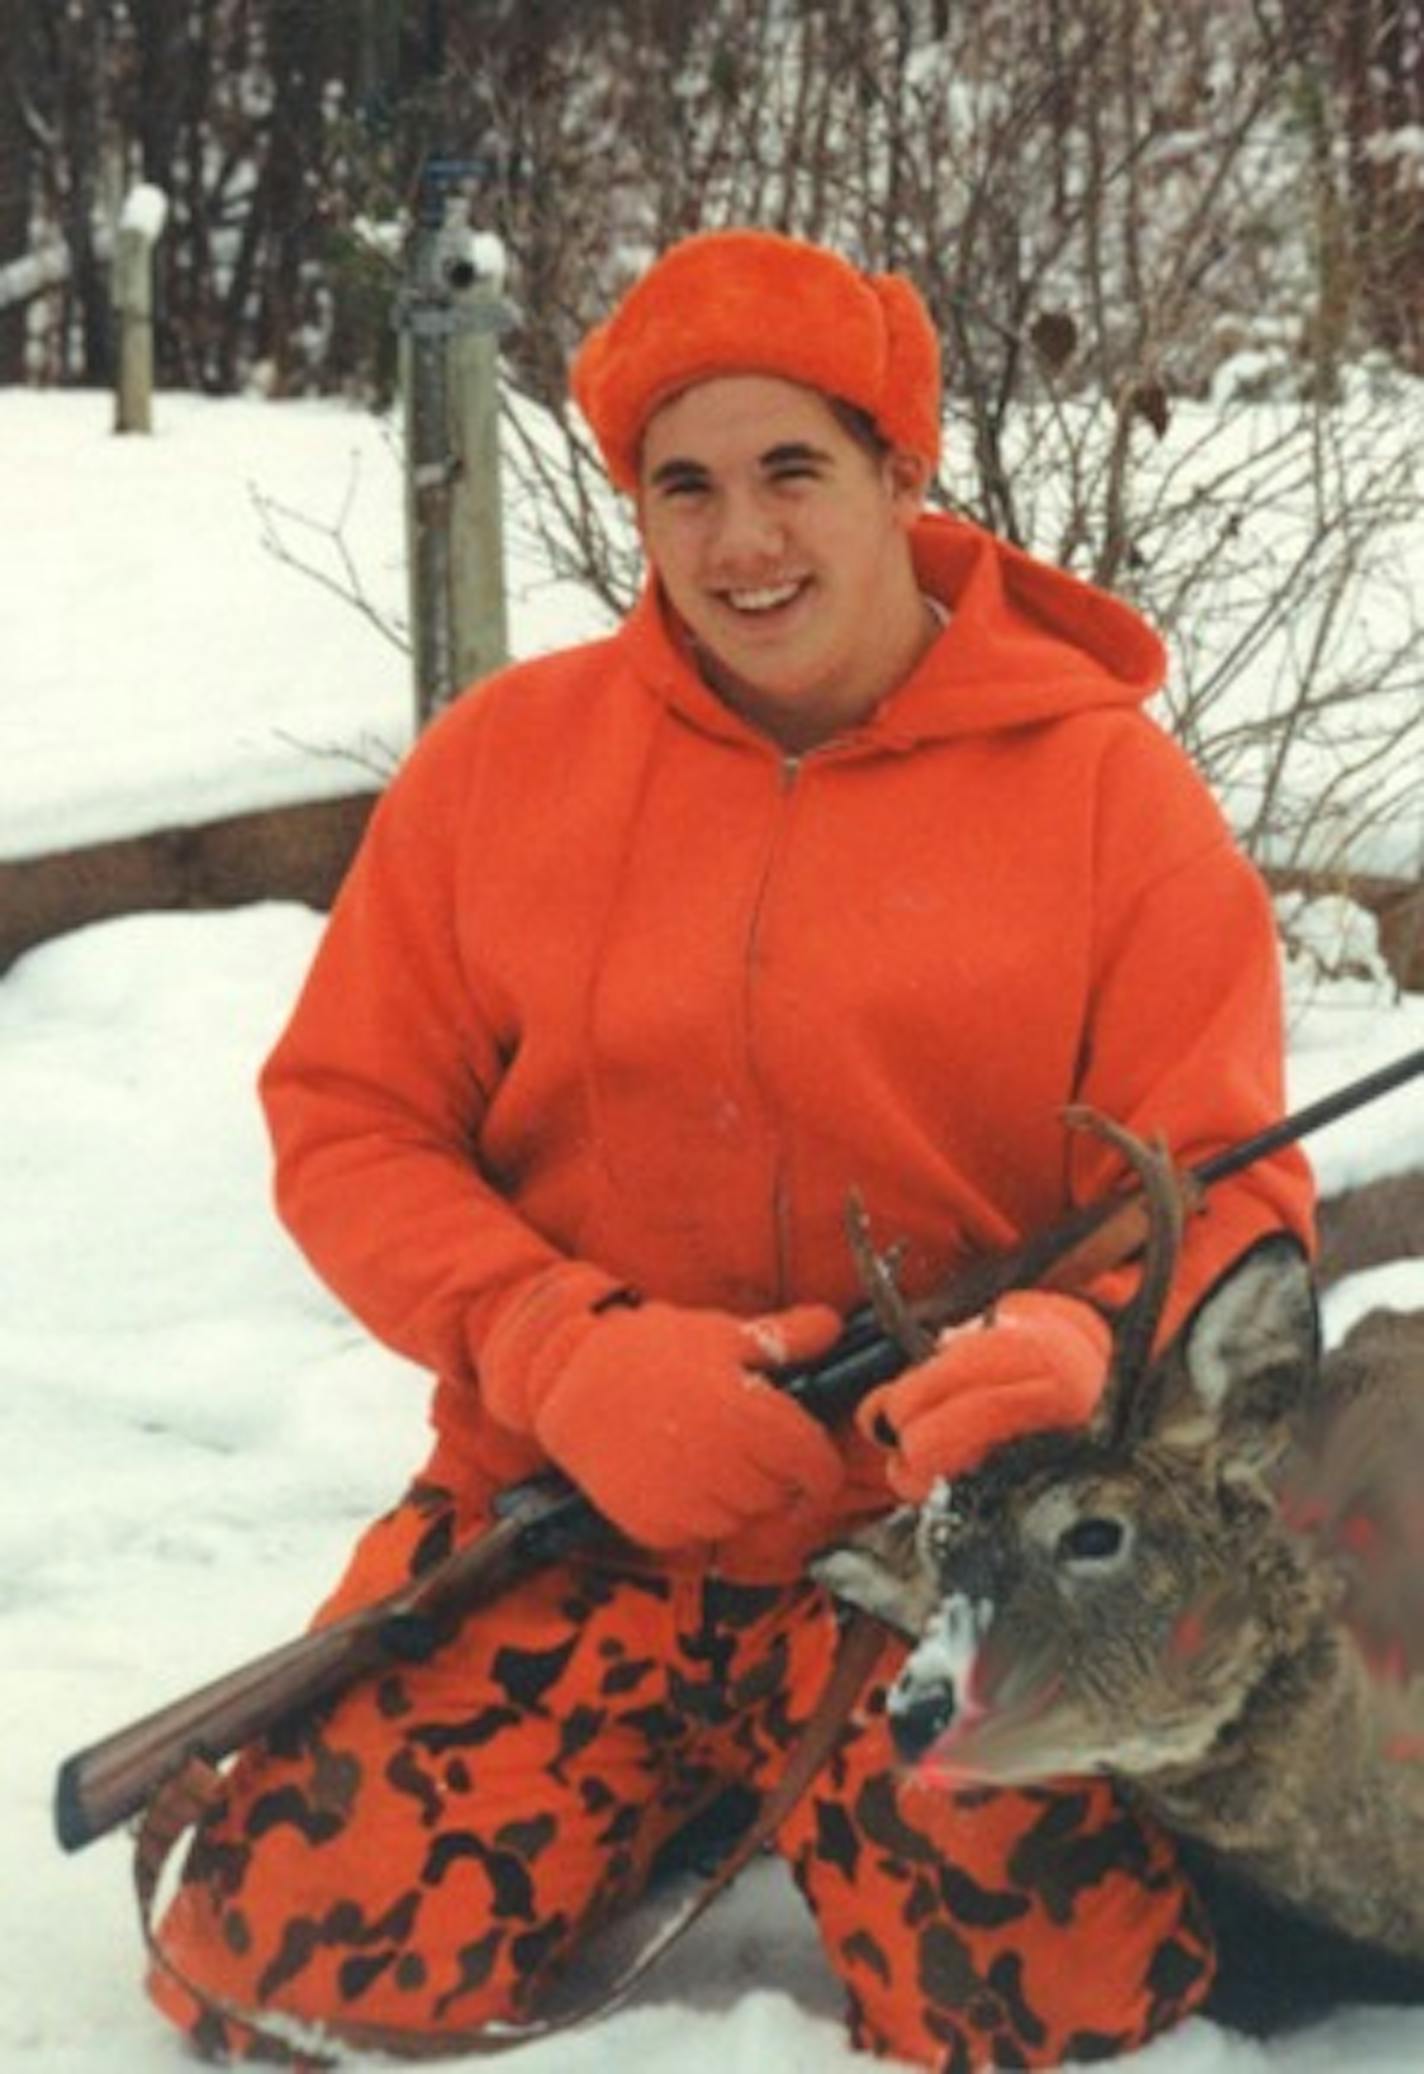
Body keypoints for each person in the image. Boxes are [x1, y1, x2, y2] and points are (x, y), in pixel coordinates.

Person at [148, 228, 1314, 2069]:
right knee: (271, 1965)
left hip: (944, 1562)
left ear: (899, 474)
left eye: (794, 471)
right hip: (570, 1511)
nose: (741, 542)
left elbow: (1234, 1175)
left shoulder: (1108, 793)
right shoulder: (500, 768)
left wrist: (1077, 1353)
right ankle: (650, 1776)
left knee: (1063, 2023)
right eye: (684, 484)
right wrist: (561, 1350)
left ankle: (812, 1785)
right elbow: (348, 1120)